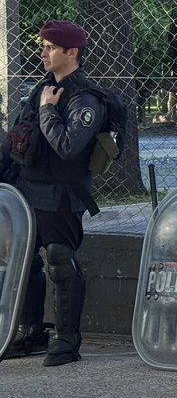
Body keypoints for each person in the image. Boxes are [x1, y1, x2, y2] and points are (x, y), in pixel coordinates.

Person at [0, 21, 114, 366]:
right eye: (43, 46)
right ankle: (29, 331)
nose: (43, 52)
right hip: (27, 191)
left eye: (50, 47)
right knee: (24, 262)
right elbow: (17, 138)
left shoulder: (86, 99)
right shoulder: (40, 90)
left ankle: (67, 339)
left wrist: (49, 110)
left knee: (60, 262)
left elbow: (67, 146)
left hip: (61, 195)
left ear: (72, 52)